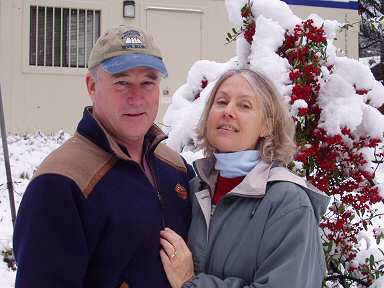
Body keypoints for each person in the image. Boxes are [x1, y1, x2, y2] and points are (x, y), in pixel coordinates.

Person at [13, 25, 194, 288]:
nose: (137, 97)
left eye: (148, 82)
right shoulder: (61, 183)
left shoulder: (174, 167)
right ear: (91, 85)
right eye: (122, 82)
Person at [159, 69, 330, 288]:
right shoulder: (194, 190)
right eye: (221, 102)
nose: (228, 111)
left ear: (266, 126)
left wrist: (190, 283)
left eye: (244, 105)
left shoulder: (288, 203)